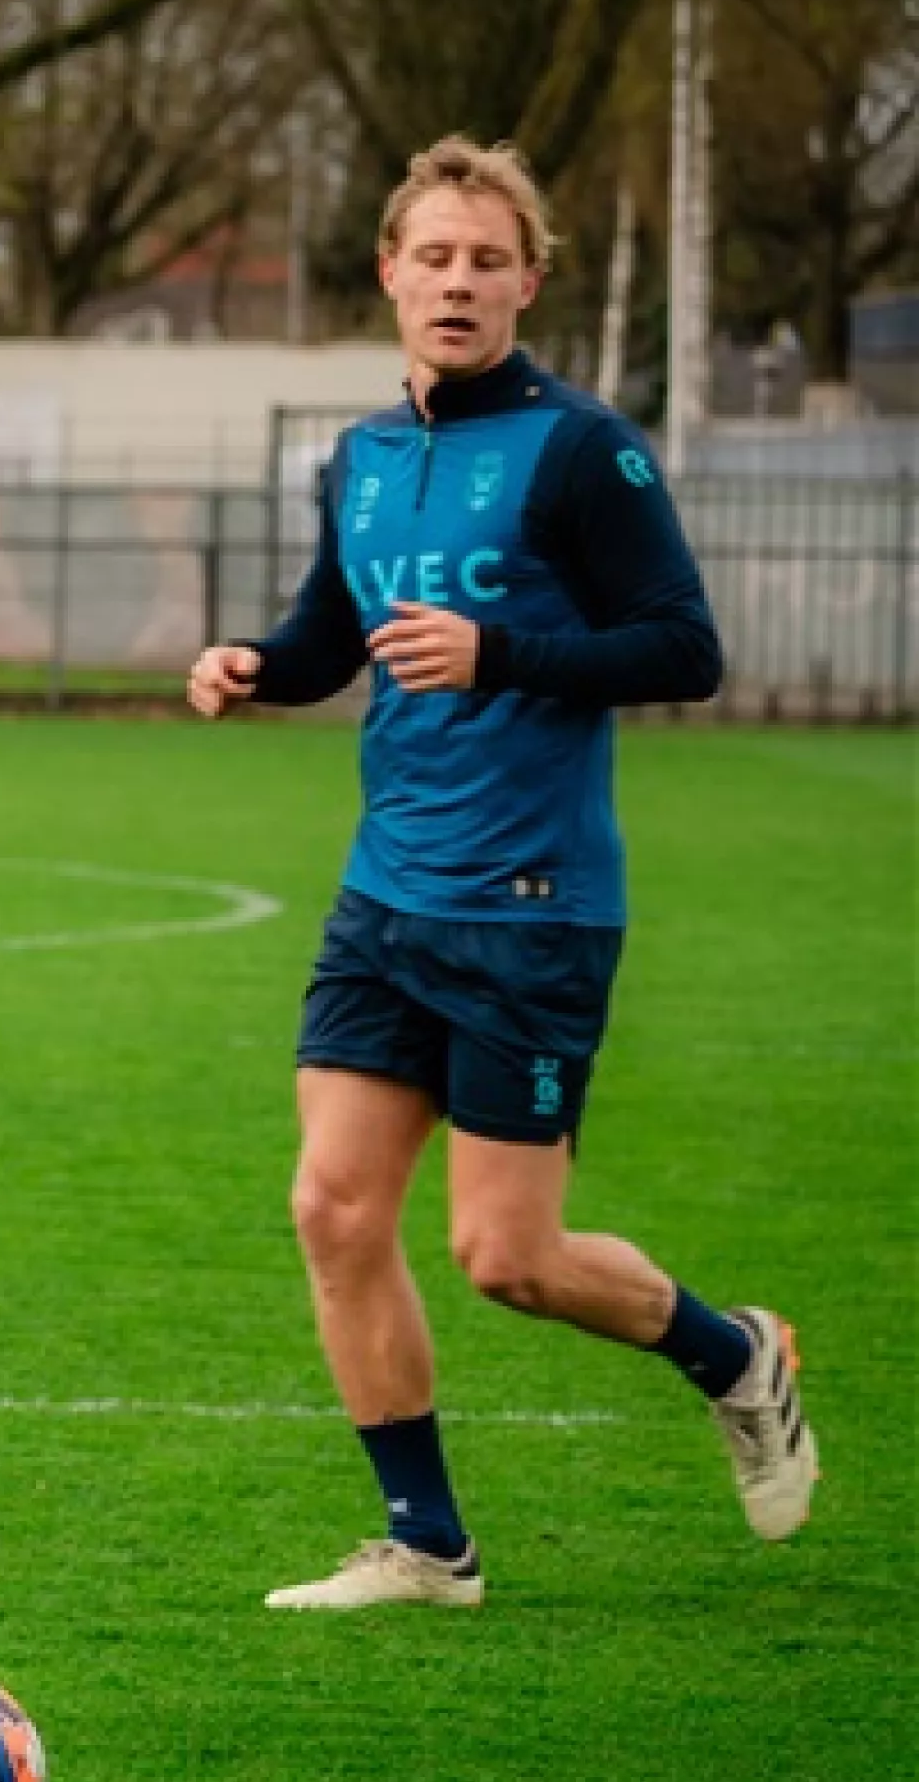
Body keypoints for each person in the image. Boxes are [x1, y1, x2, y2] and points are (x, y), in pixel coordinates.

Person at [185, 135, 815, 1612]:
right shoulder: (363, 453)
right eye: (435, 256)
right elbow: (329, 633)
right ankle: (427, 1545)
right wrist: (250, 669)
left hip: (531, 908)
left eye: (488, 260)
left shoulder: (583, 449)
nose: (458, 282)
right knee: (334, 1210)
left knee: (507, 1256)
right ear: (389, 273)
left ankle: (739, 1353)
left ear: (528, 280)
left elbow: (685, 646)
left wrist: (503, 652)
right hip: (383, 898)